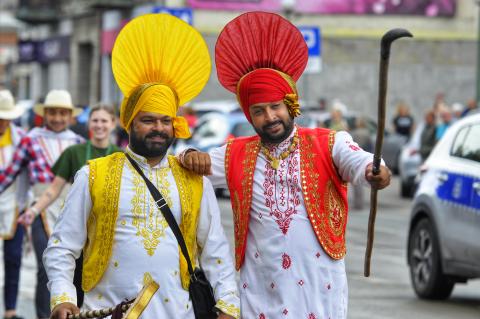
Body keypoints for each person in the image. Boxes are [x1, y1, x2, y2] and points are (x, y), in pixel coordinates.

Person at [180, 12, 391, 319]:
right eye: (259, 111)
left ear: (290, 104)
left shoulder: (329, 143)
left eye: (275, 106)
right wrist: (189, 155)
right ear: (249, 116)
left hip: (320, 291)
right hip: (260, 292)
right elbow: (176, 170)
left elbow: (362, 163)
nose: (270, 117)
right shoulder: (234, 154)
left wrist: (377, 172)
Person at [44, 14, 239, 319]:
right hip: (107, 312)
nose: (158, 128)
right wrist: (62, 296)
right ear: (129, 123)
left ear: (175, 126)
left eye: (165, 121)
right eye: (148, 120)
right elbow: (62, 246)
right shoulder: (94, 174)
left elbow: (216, 253)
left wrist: (228, 305)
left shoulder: (193, 180)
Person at [22, 103, 121, 308]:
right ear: (89, 124)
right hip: (78, 227)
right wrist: (33, 210)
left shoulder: (121, 157)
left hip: (107, 230)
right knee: (70, 278)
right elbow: (53, 189)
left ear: (113, 124)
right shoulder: (74, 152)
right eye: (95, 120)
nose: (99, 125)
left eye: (104, 121)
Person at [0, 89, 84, 319]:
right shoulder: (31, 139)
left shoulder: (78, 143)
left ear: (70, 116)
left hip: (73, 209)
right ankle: (43, 315)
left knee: (75, 268)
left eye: (62, 113)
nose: (57, 118)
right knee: (46, 267)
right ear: (44, 114)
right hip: (40, 209)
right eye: (53, 113)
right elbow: (10, 174)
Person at [0, 90, 29, 319]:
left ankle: (10, 310)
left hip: (15, 207)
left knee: (14, 259)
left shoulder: (22, 138)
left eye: (5, 116)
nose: (2, 121)